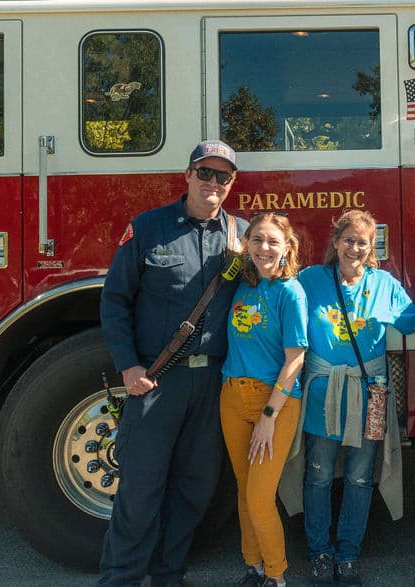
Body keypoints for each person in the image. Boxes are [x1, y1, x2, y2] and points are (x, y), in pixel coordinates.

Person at [98, 139, 242, 587]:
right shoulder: (147, 228)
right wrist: (127, 366)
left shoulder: (241, 235)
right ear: (188, 175)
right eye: (205, 173)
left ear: (232, 183)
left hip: (214, 383)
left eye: (222, 176)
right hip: (156, 382)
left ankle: (168, 575)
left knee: (194, 488)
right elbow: (115, 300)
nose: (212, 183)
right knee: (140, 491)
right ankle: (120, 579)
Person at [279, 209, 415, 587]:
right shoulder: (311, 280)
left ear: (372, 247)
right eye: (348, 240)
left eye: (363, 242)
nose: (355, 248)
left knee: (362, 478)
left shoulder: (384, 284)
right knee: (317, 475)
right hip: (322, 393)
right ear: (335, 242)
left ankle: (347, 554)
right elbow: (274, 299)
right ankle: (319, 553)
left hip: (371, 393)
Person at [220, 213, 308, 587]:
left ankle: (277, 575)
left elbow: (296, 359)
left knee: (259, 497)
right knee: (244, 490)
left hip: (274, 402)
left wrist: (270, 415)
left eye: (273, 241)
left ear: (287, 247)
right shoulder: (243, 285)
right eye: (256, 240)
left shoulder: (290, 292)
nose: (264, 248)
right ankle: (253, 566)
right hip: (231, 396)